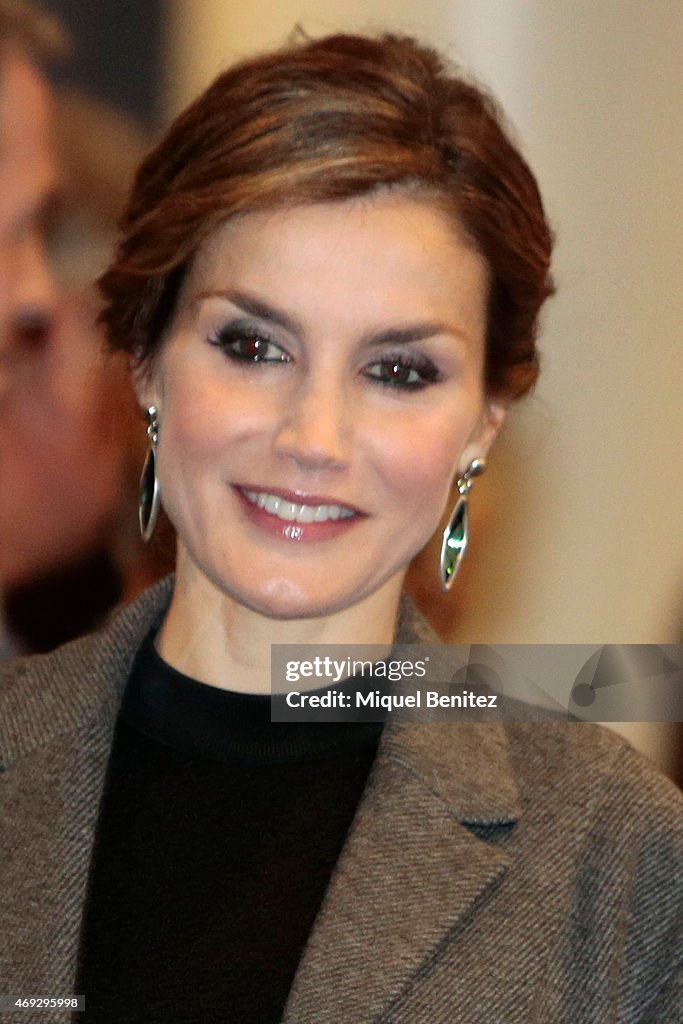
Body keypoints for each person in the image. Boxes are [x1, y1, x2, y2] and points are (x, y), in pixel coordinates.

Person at [1, 31, 681, 1024]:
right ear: (146, 360)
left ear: (481, 422)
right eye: (252, 344)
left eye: (398, 370)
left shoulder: (614, 861)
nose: (313, 436)